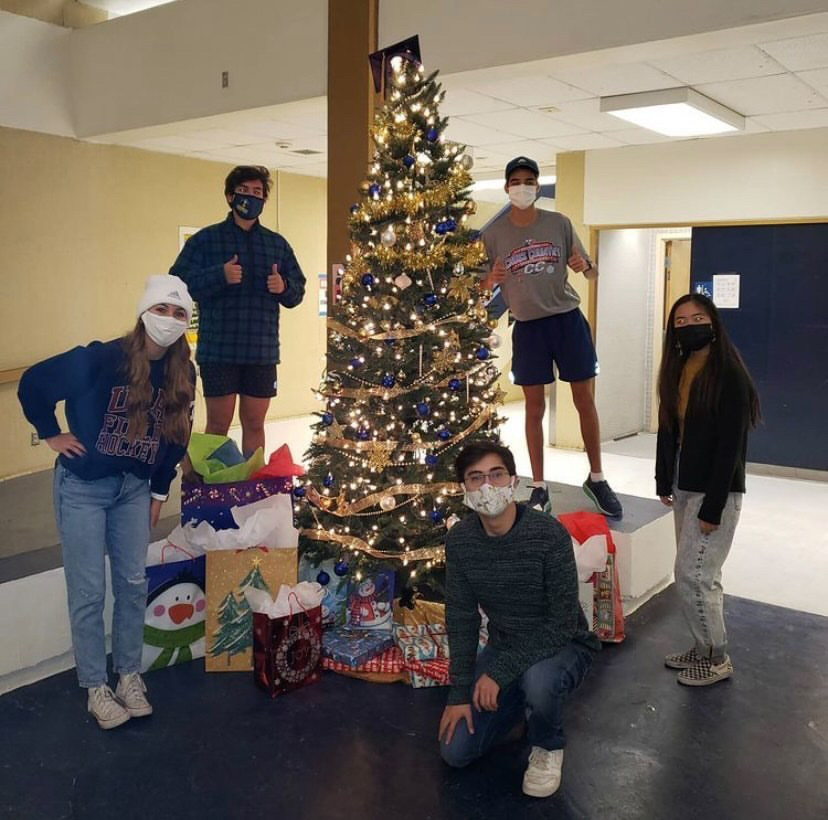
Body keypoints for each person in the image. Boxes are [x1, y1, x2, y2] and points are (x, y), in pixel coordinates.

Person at [18, 275, 196, 729]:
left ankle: (129, 676)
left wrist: (159, 490)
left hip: (133, 491)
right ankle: (96, 685)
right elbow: (34, 382)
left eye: (180, 314)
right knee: (88, 591)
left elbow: (175, 438)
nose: (169, 321)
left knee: (133, 584)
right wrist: (50, 433)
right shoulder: (101, 359)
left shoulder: (182, 373)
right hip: (84, 489)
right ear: (143, 312)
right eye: (162, 310)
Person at [439, 441, 599, 798]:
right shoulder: (461, 541)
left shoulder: (548, 534)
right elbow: (462, 618)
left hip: (564, 642)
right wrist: (460, 693)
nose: (487, 487)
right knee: (455, 751)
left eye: (496, 475)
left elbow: (561, 623)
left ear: (513, 481)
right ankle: (521, 705)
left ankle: (547, 744)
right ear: (463, 489)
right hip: (506, 644)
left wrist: (498, 673)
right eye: (475, 478)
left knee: (540, 680)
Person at [481, 156, 622, 518]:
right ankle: (540, 486)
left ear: (538, 186)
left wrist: (584, 266)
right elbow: (477, 286)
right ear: (506, 187)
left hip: (567, 321)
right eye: (516, 180)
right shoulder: (493, 235)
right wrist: (490, 279)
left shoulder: (559, 223)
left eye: (529, 180)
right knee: (533, 408)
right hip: (528, 327)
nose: (522, 186)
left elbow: (592, 273)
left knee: (584, 401)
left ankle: (597, 477)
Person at [656, 293, 760, 686]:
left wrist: (712, 508)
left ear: (713, 323)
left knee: (695, 575)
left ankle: (716, 658)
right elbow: (670, 430)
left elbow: (730, 447)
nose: (688, 326)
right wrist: (663, 479)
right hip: (684, 484)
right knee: (693, 573)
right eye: (680, 321)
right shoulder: (679, 367)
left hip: (714, 492)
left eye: (696, 318)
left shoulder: (729, 374)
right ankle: (702, 648)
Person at [170, 165, 306, 456]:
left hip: (261, 351)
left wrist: (283, 286)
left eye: (258, 192)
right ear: (230, 196)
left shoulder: (277, 244)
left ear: (265, 200)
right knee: (218, 423)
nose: (251, 198)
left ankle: (252, 490)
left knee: (255, 422)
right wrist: (219, 275)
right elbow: (177, 285)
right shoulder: (205, 241)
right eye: (244, 191)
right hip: (219, 350)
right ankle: (212, 486)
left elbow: (298, 291)